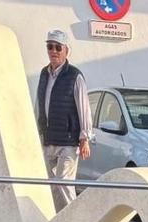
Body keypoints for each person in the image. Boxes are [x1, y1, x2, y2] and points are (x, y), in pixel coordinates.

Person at [36, 29, 92, 210]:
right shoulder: (44, 74)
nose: (53, 51)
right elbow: (39, 103)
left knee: (63, 184)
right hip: (49, 138)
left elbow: (84, 107)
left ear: (66, 51)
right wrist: (38, 131)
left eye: (58, 48)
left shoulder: (74, 76)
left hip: (68, 140)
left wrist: (85, 138)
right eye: (50, 47)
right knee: (51, 185)